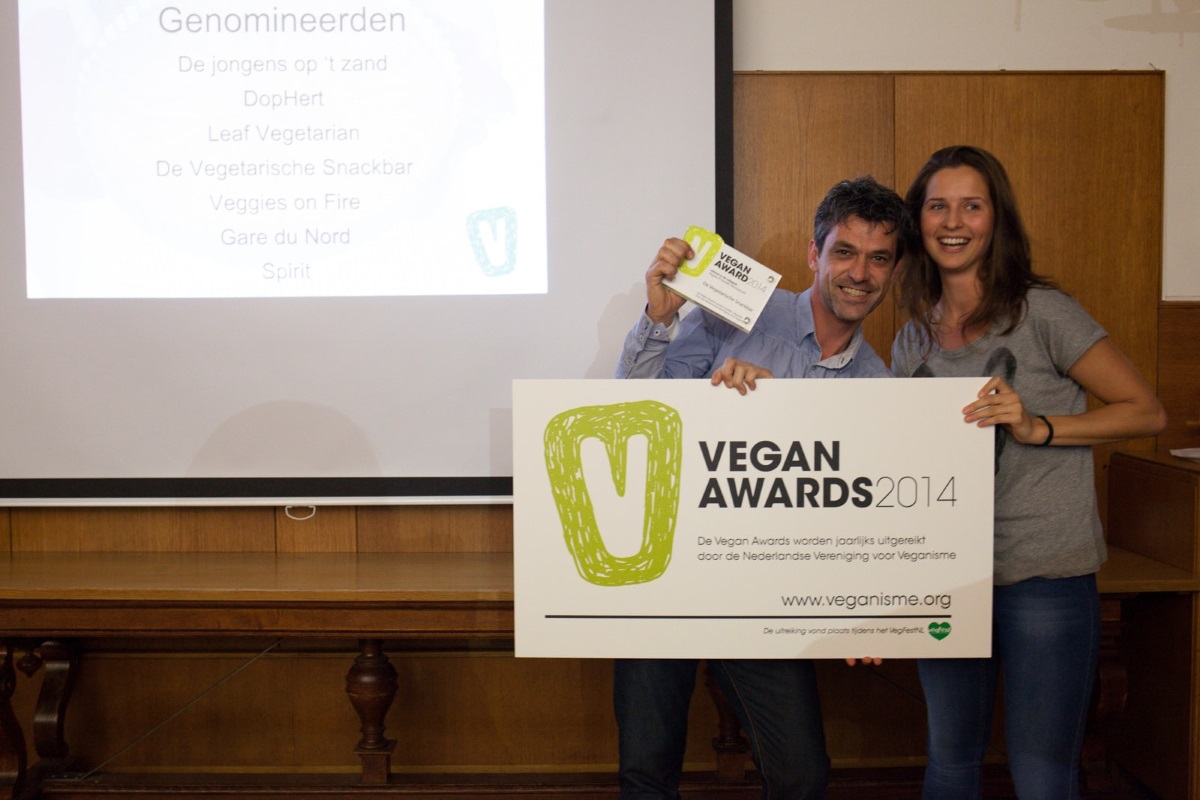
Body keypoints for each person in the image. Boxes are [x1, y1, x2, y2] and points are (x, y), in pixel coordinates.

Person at [614, 175, 914, 799]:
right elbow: (637, 419)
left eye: (879, 258)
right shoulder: (738, 310)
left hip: (765, 594)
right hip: (668, 570)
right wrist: (660, 321)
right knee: (646, 770)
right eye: (844, 252)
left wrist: (871, 606)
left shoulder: (878, 388)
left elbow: (860, 513)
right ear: (814, 254)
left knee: (802, 775)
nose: (860, 273)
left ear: (894, 270)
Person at [891, 145, 1168, 799]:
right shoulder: (911, 338)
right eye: (937, 206)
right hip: (948, 579)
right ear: (918, 221)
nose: (952, 221)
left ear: (997, 218)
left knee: (1043, 774)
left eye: (971, 205)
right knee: (949, 762)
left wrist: (1039, 426)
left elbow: (1146, 411)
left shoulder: (1043, 311)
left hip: (1045, 574)